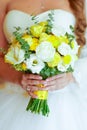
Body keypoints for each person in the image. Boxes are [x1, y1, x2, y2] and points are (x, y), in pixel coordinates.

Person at [0, 0, 87, 130]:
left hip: (65, 103)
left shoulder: (79, 2)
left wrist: (71, 75)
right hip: (16, 98)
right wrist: (19, 78)